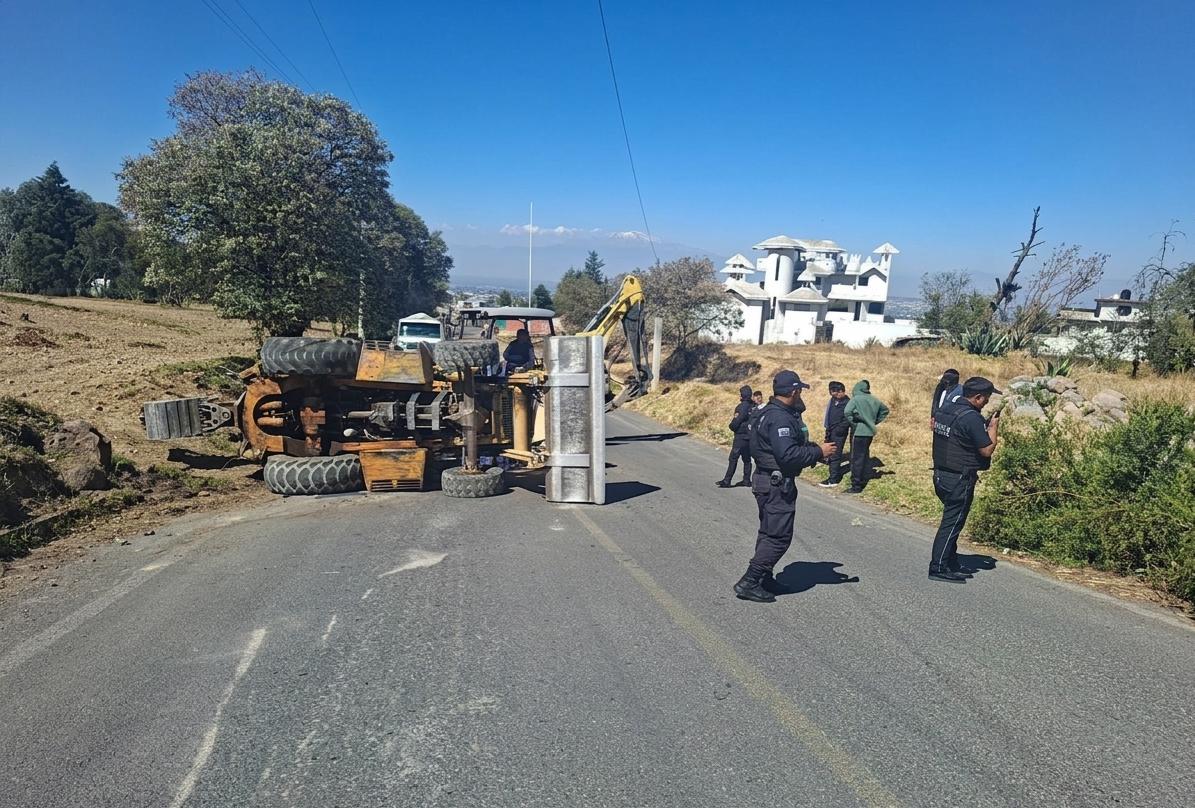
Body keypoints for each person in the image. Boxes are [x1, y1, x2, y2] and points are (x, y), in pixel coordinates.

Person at [733, 370, 836, 603]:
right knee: (778, 537)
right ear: (793, 391)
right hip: (775, 484)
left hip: (766, 480)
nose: (801, 395)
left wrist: (813, 453)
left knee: (768, 533)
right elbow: (787, 454)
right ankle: (750, 580)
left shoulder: (768, 412)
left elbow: (780, 449)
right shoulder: (779, 418)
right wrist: (819, 451)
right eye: (799, 391)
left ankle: (764, 579)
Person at [928, 376, 1002, 583]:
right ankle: (938, 567)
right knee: (951, 524)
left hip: (941, 475)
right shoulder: (971, 418)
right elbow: (986, 450)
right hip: (959, 478)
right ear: (978, 397)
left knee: (952, 521)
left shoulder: (945, 410)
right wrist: (993, 427)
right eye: (986, 397)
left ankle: (950, 562)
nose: (987, 401)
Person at [842, 380, 889, 493]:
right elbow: (885, 410)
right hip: (870, 433)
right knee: (864, 456)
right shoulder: (874, 399)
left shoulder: (856, 399)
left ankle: (856, 485)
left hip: (859, 432)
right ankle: (862, 479)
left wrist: (854, 424)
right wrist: (873, 422)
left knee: (856, 459)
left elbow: (847, 412)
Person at [717, 386, 755, 488]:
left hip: (740, 436)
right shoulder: (754, 406)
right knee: (747, 459)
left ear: (742, 395)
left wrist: (732, 427)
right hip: (750, 437)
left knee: (733, 458)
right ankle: (746, 480)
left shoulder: (742, 406)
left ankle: (727, 480)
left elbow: (736, 421)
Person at [818, 381, 851, 487]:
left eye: (836, 393)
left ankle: (833, 480)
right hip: (830, 431)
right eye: (832, 393)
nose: (834, 395)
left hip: (839, 433)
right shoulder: (833, 400)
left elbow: (848, 419)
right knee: (829, 452)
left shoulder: (847, 403)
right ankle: (831, 472)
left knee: (835, 455)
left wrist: (839, 429)